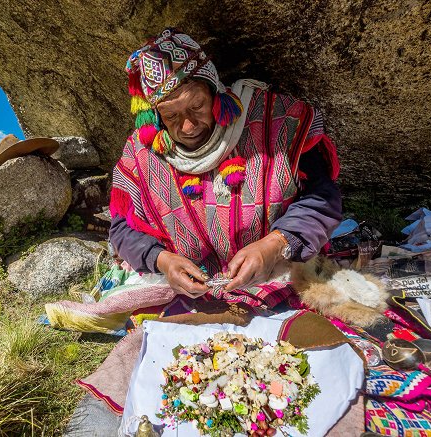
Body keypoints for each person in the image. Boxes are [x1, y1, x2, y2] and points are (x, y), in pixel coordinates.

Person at [108, 28, 342, 308]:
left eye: (197, 105)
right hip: (188, 295)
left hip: (278, 278)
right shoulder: (142, 153)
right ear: (156, 115)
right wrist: (162, 260)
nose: (189, 126)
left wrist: (275, 244)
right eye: (171, 115)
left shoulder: (277, 122)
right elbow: (122, 228)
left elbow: (322, 198)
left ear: (214, 89)